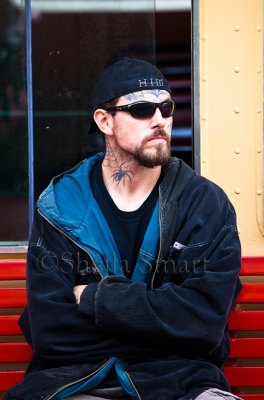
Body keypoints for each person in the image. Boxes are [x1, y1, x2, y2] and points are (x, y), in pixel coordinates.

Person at [5, 57, 242, 400]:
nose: (160, 120)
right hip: (74, 383)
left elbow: (204, 324)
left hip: (180, 383)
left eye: (166, 107)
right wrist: (165, 325)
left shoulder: (204, 204)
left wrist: (96, 298)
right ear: (105, 120)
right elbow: (50, 332)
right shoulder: (62, 204)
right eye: (142, 109)